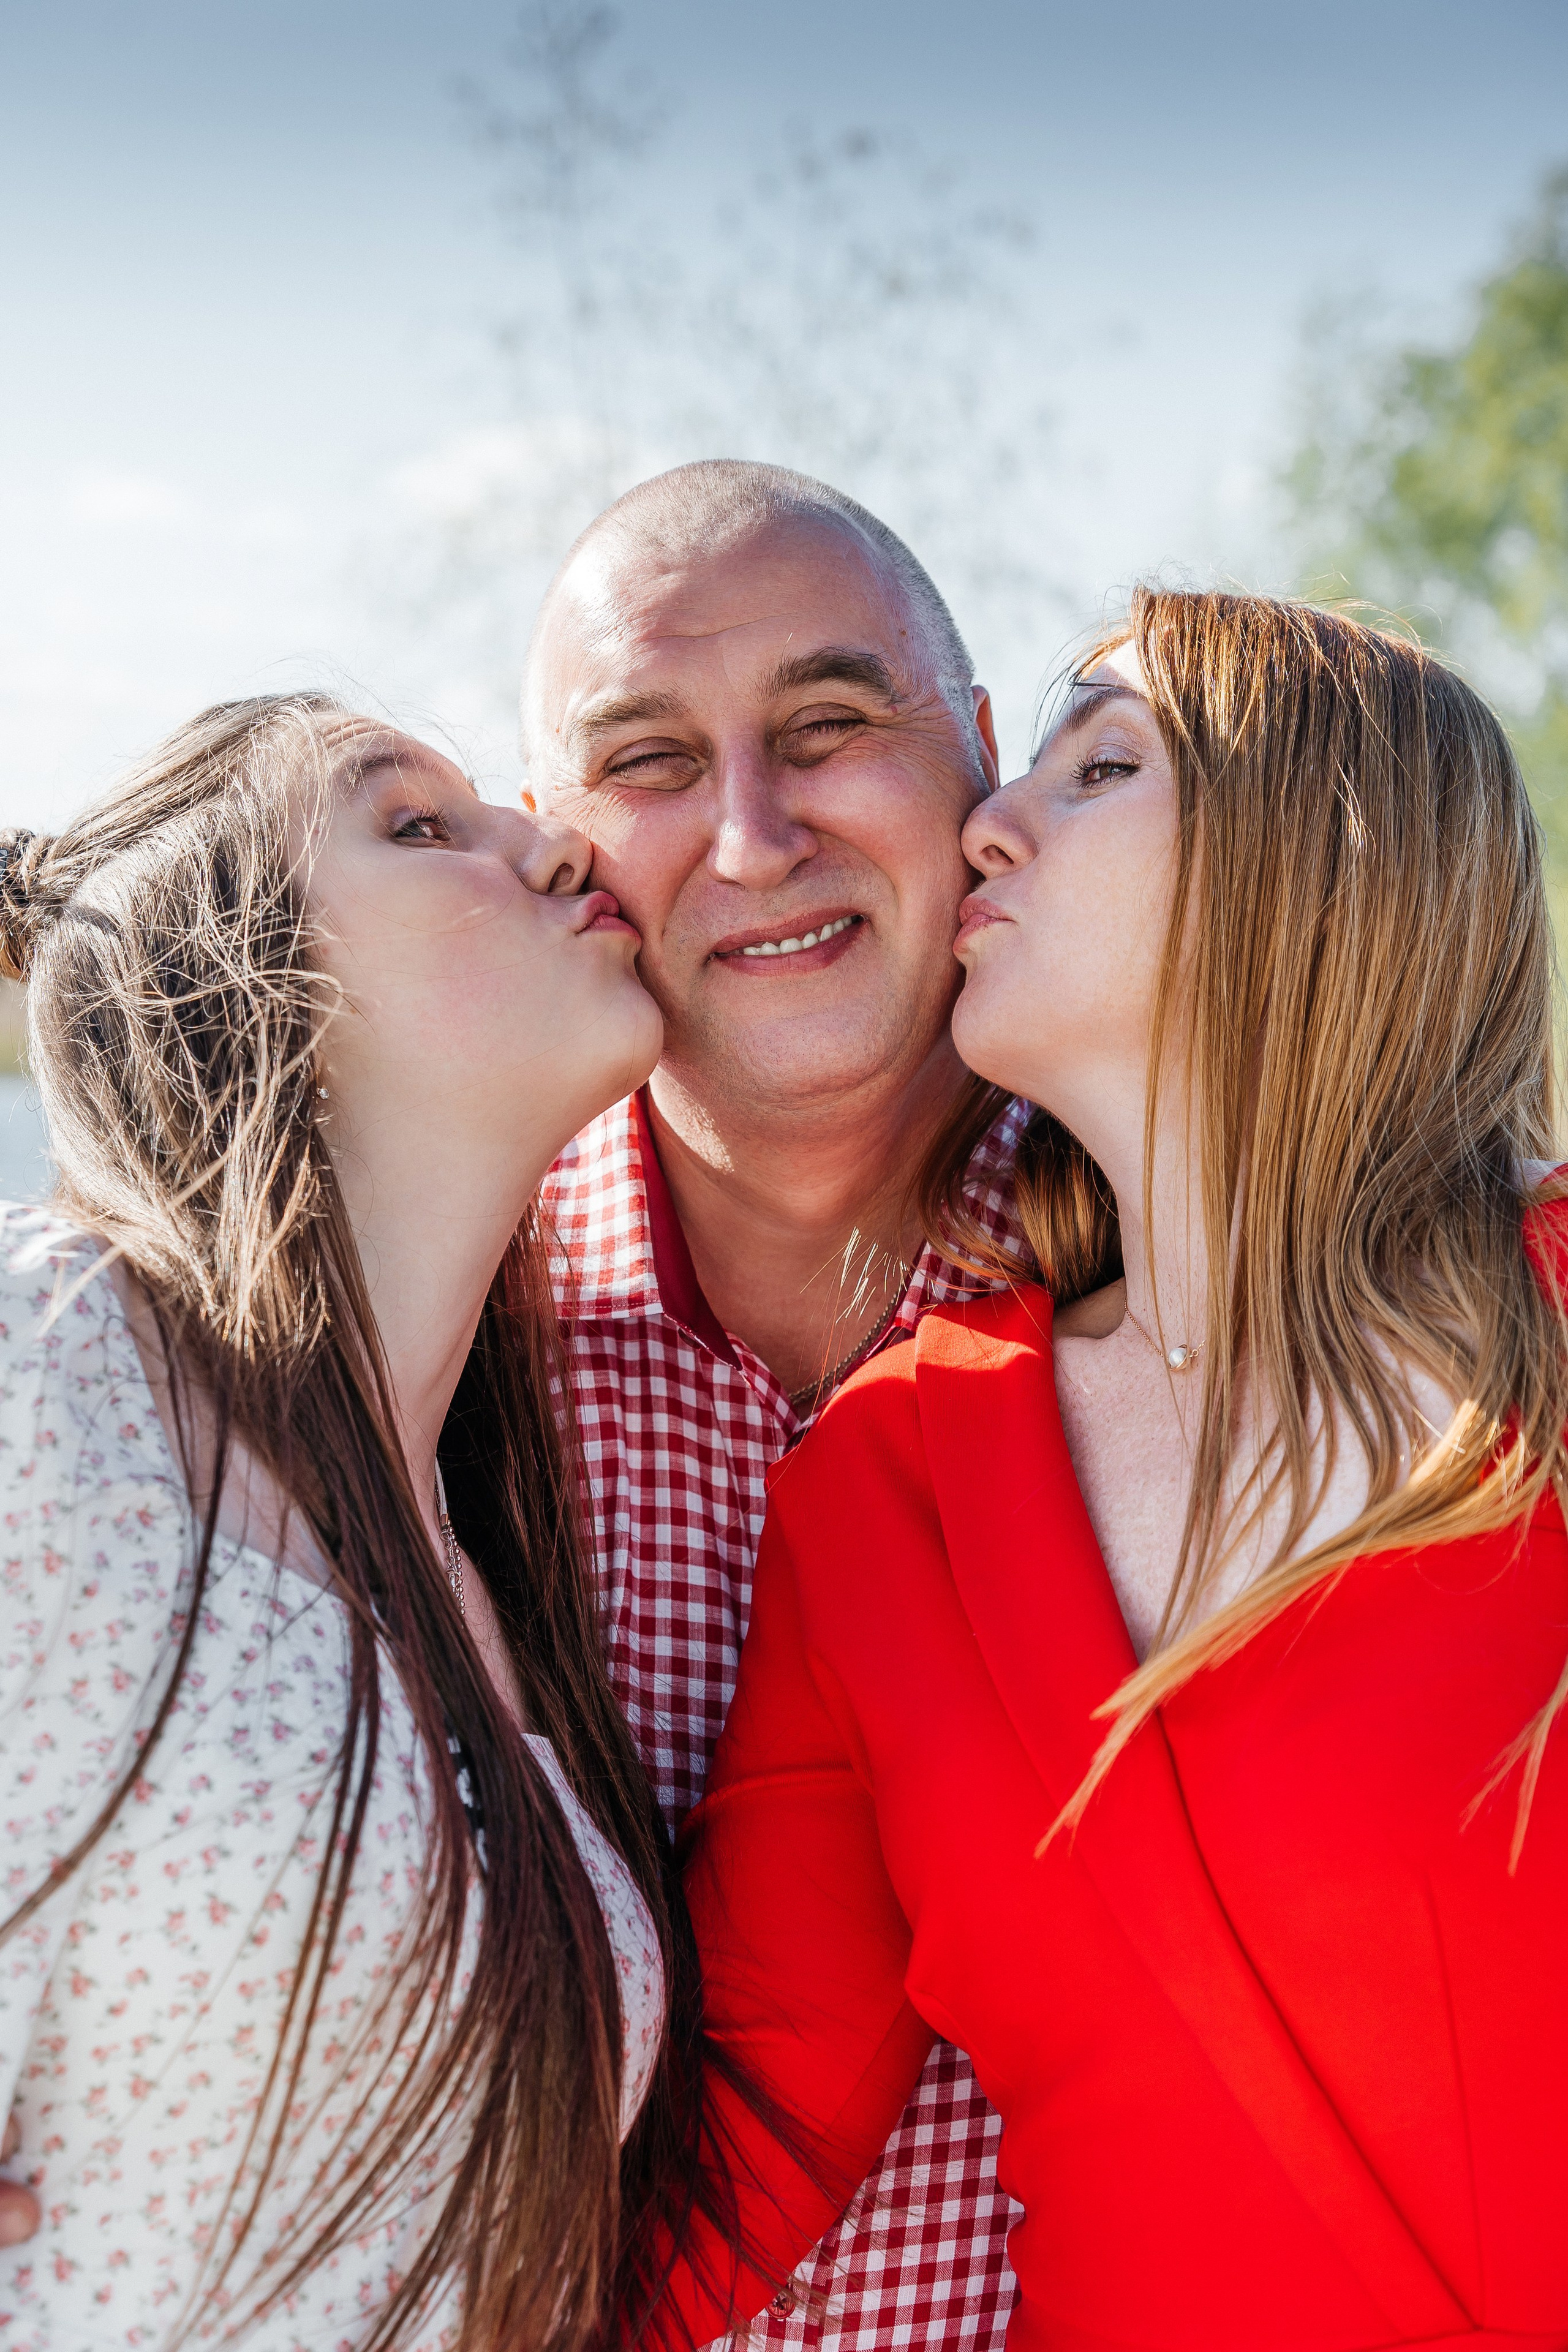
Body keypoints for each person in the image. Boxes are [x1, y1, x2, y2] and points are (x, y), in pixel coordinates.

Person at [657, 589, 1568, 2351]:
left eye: (1105, 768)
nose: (991, 819)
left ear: (1318, 860)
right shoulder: (888, 1480)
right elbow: (731, 2161)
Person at [0, 696, 706, 2350]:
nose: (557, 841)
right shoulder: (54, 1358)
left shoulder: (479, 1554)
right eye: (418, 825)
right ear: (257, 994)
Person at [526, 461, 1027, 2348]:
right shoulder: (391, 1349)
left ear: (980, 761)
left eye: (830, 727)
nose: (752, 837)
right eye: (648, 764)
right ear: (553, 844)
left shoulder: (1228, 1295)